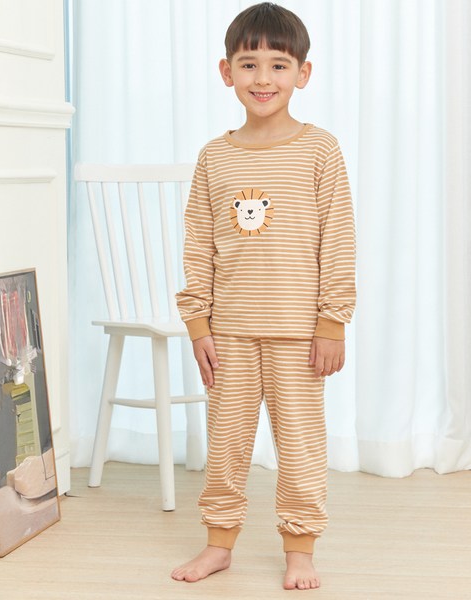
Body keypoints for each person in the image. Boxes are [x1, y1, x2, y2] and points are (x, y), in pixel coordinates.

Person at [172, 2, 356, 590]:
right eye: (249, 64)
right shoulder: (214, 157)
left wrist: (332, 322)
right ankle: (218, 543)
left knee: (299, 446)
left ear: (303, 73)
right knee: (225, 445)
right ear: (226, 71)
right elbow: (198, 245)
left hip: (299, 334)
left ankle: (300, 549)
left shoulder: (320, 150)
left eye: (279, 65)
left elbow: (338, 238)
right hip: (228, 331)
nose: (263, 78)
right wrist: (198, 324)